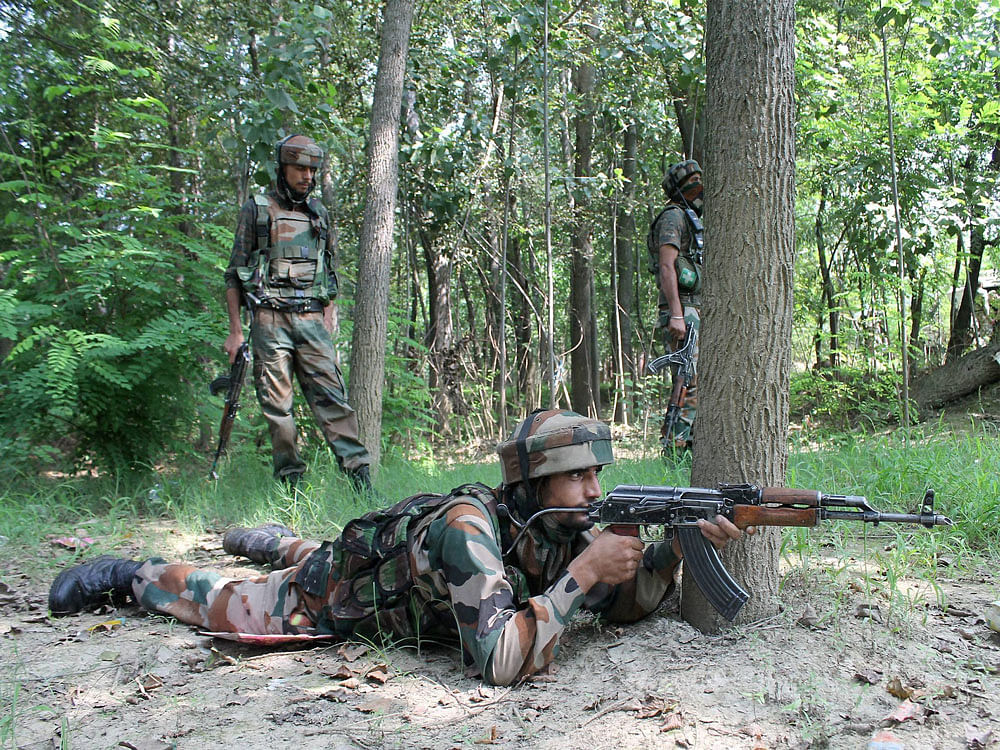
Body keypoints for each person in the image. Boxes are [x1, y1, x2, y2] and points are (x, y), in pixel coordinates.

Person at [47, 410, 748, 686]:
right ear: (534, 482)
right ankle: (129, 574)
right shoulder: (470, 530)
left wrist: (674, 552)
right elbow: (501, 661)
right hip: (337, 593)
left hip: (398, 578)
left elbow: (623, 605)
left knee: (303, 550)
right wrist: (578, 581)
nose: (596, 488)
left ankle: (277, 541)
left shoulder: (562, 526)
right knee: (223, 606)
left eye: (598, 472)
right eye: (578, 476)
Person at [223, 133, 373, 490]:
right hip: (269, 320)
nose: (306, 176)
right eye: (299, 168)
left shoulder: (318, 213)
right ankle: (291, 485)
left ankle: (360, 484)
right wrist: (235, 331)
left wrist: (329, 313)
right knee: (279, 410)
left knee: (334, 403)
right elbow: (234, 273)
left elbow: (329, 269)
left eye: (311, 169)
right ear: (283, 168)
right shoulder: (258, 209)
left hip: (311, 320)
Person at [648, 159, 705, 453]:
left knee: (698, 381)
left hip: (696, 308)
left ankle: (691, 447)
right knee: (687, 381)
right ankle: (674, 450)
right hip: (683, 311)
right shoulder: (673, 216)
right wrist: (677, 314)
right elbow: (667, 267)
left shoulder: (691, 217)